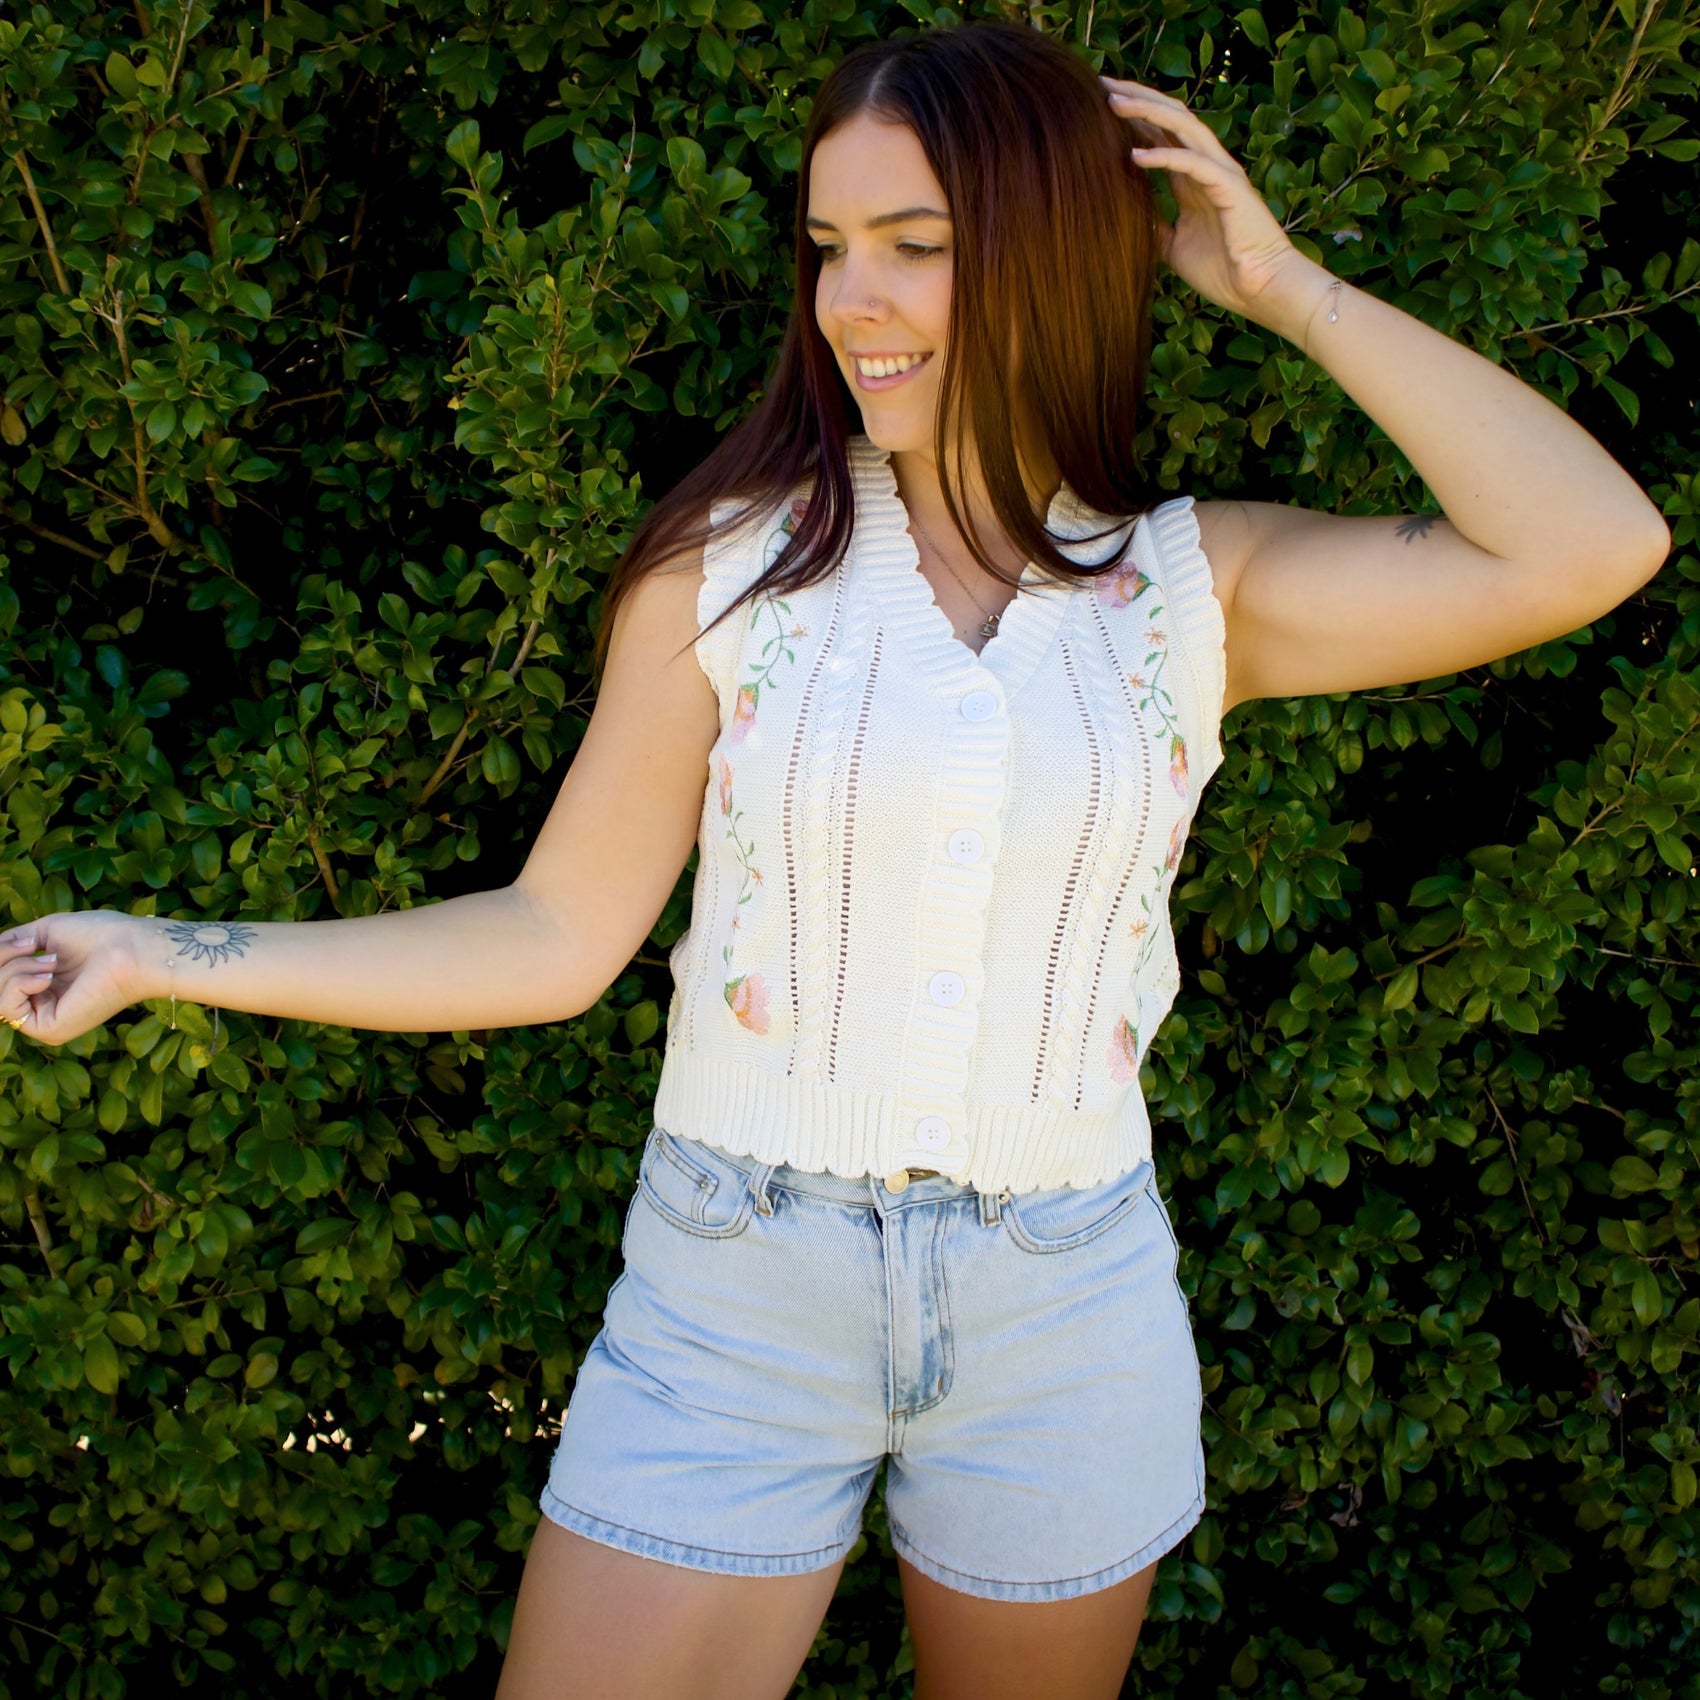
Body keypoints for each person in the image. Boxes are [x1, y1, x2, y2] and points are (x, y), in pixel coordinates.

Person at [1, 19, 1668, 1700]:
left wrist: (1294, 290)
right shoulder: (728, 576)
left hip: (1062, 1311)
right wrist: (160, 948)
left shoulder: (1191, 593)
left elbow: (1593, 543)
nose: (848, 301)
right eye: (828, 248)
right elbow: (555, 935)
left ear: (1050, 253)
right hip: (736, 1294)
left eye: (916, 248)